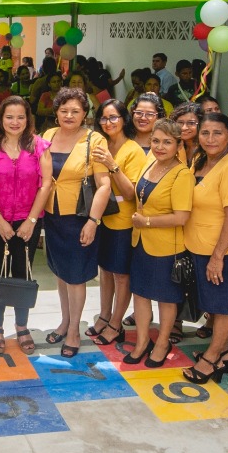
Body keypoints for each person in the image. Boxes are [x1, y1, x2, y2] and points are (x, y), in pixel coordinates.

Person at [0, 96, 53, 350]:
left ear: (28, 119)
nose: (15, 122)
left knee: (24, 273)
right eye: (9, 117)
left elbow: (46, 185)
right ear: (0, 119)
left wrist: (31, 220)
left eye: (21, 117)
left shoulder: (40, 146)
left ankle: (22, 326)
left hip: (29, 220)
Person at [41, 87, 113, 357]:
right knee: (60, 273)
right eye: (63, 110)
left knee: (76, 277)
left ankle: (74, 331)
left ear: (85, 113)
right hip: (53, 215)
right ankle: (64, 321)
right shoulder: (48, 135)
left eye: (75, 111)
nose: (69, 115)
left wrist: (93, 221)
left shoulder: (95, 141)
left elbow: (103, 185)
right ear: (56, 112)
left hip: (79, 217)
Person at [182, 112, 228, 384]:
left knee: (223, 306)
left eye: (218, 133)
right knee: (212, 304)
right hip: (197, 245)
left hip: (221, 250)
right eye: (205, 133)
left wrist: (217, 256)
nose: (210, 139)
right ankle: (223, 354)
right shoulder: (200, 161)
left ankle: (211, 358)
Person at [127, 118, 196, 367]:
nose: (160, 146)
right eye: (156, 141)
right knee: (141, 295)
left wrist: (145, 222)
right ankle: (142, 341)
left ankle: (163, 341)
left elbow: (181, 216)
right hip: (141, 244)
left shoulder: (182, 174)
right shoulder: (150, 164)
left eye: (167, 142)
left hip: (167, 248)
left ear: (178, 145)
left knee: (166, 298)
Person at [88, 100, 148, 346]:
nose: (108, 123)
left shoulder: (133, 149)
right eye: (103, 118)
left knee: (122, 275)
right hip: (102, 216)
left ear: (124, 119)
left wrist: (113, 166)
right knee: (106, 272)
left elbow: (131, 192)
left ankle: (116, 323)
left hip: (123, 219)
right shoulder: (99, 143)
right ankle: (104, 315)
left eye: (113, 117)